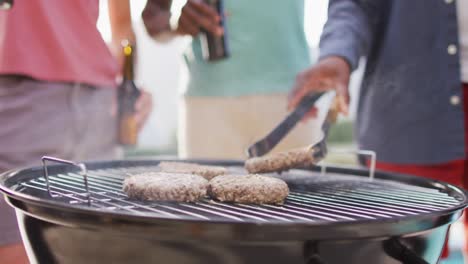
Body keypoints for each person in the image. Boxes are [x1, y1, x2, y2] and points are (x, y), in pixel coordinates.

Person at [287, 0, 468, 259]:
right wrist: (337, 54)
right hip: (409, 111)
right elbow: (354, 5)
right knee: (403, 252)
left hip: (407, 112)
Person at [0, 0, 152, 262]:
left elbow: (122, 24)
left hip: (100, 106)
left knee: (103, 252)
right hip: (20, 99)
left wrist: (129, 86)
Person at [142, 0, 322, 159]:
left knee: (299, 195)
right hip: (208, 103)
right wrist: (177, 24)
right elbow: (153, 14)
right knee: (202, 195)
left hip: (292, 96)